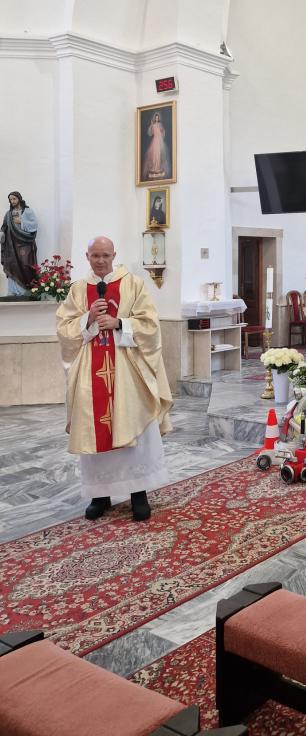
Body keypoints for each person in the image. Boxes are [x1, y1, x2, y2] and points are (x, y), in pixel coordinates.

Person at [56, 236, 173, 521]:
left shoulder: (133, 284)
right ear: (87, 256)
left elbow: (150, 325)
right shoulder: (78, 290)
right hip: (90, 370)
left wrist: (119, 323)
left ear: (113, 255)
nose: (100, 260)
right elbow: (64, 328)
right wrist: (88, 319)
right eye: (95, 255)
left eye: (105, 255)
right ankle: (100, 495)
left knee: (134, 424)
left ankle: (138, 493)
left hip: (127, 368)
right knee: (92, 426)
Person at [1, 191, 39, 295]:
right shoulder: (8, 214)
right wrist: (2, 234)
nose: (12, 201)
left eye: (14, 199)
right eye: (10, 199)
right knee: (12, 266)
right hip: (11, 245)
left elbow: (34, 225)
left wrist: (21, 221)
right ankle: (13, 291)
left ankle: (26, 291)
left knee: (26, 265)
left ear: (19, 199)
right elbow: (4, 227)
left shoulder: (27, 211)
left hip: (25, 243)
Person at [142, 111, 169, 180]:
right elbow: (150, 133)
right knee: (154, 154)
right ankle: (154, 167)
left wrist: (161, 135)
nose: (157, 119)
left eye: (157, 118)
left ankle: (158, 167)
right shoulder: (153, 125)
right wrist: (151, 125)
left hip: (159, 141)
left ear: (158, 118)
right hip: (154, 140)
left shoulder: (160, 124)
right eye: (156, 118)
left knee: (158, 154)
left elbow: (163, 131)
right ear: (155, 118)